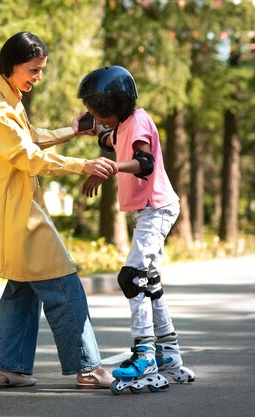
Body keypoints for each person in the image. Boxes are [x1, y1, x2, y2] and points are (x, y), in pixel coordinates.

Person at [0, 32, 118, 389]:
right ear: (11, 64)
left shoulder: (6, 97)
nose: (38, 77)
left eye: (41, 70)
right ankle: (87, 367)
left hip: (17, 211)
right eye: (33, 70)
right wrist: (81, 164)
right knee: (63, 281)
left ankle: (7, 367)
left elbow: (30, 137)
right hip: (17, 216)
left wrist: (71, 131)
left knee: (22, 288)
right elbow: (26, 156)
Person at [77, 65, 196, 395]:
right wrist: (79, 127)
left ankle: (144, 356)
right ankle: (169, 356)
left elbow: (146, 163)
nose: (97, 118)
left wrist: (113, 167)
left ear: (114, 105)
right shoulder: (121, 125)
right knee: (150, 281)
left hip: (157, 209)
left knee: (132, 277)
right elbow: (103, 137)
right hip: (147, 212)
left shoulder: (139, 121)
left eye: (99, 111)